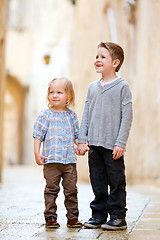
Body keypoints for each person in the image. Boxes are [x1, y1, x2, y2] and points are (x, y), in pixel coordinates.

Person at [76, 42, 133, 230]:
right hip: (94, 144)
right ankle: (99, 215)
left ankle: (118, 216)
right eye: (97, 56)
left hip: (113, 145)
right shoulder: (92, 87)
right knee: (97, 180)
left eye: (103, 57)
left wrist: (121, 143)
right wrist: (82, 139)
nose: (97, 60)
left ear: (115, 63)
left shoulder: (122, 87)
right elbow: (86, 114)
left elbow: (127, 117)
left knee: (116, 181)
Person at [33, 77, 82, 228]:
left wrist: (80, 146)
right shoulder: (45, 115)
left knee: (71, 190)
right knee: (51, 190)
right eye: (51, 92)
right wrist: (37, 153)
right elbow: (38, 135)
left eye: (59, 92)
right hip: (51, 161)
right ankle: (50, 217)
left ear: (69, 96)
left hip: (69, 162)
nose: (54, 95)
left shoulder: (71, 116)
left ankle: (73, 218)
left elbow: (76, 136)